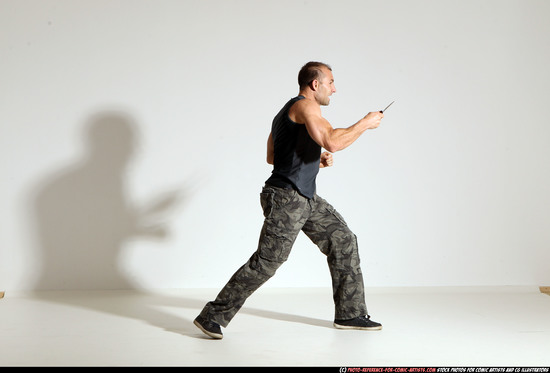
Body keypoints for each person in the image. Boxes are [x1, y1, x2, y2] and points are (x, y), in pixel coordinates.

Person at [194, 62, 384, 339]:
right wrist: (365, 123)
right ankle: (212, 316)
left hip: (303, 196)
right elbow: (332, 141)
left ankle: (350, 313)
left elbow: (274, 156)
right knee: (268, 261)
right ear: (315, 84)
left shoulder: (285, 112)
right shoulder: (307, 107)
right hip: (287, 198)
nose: (335, 88)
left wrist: (313, 158)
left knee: (343, 239)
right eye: (331, 82)